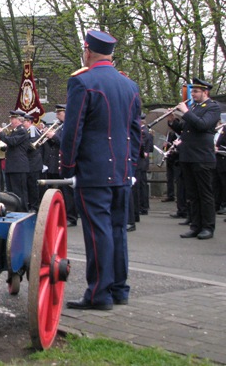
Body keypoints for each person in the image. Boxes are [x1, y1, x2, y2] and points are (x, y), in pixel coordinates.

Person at [60, 30, 141, 310]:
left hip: (93, 172)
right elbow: (134, 131)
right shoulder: (130, 86)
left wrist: (67, 167)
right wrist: (130, 166)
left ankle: (99, 294)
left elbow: (72, 132)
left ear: (88, 51)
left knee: (98, 232)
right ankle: (120, 288)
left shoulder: (82, 82)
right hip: (121, 171)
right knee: (117, 230)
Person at [170, 78, 221, 240]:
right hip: (188, 155)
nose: (193, 94)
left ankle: (208, 227)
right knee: (192, 193)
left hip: (202, 156)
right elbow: (185, 130)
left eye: (196, 92)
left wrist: (186, 112)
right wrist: (173, 121)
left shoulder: (213, 107)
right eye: (192, 91)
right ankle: (195, 225)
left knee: (205, 193)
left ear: (205, 92)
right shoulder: (193, 108)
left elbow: (203, 125)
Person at [0, 110, 30, 211]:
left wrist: (1, 134)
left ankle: (23, 211)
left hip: (19, 166)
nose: (10, 121)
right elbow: (10, 145)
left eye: (12, 118)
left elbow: (13, 142)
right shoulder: (13, 131)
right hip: (11, 165)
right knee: (11, 192)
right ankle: (14, 210)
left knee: (19, 191)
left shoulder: (22, 131)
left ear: (18, 120)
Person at [23, 114, 43, 211]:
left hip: (33, 162)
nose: (23, 123)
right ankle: (31, 204)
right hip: (29, 162)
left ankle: (34, 206)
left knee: (33, 185)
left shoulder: (32, 130)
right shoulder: (28, 130)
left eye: (24, 121)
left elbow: (32, 144)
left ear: (29, 122)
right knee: (29, 185)